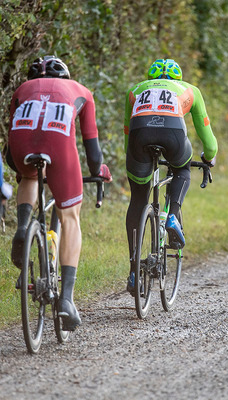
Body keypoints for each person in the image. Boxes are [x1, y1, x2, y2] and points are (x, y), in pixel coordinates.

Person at [7, 55, 112, 331]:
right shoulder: (81, 92)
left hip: (21, 145)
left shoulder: (21, 91)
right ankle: (66, 301)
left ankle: (22, 228)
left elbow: (9, 152)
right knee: (70, 217)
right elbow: (92, 151)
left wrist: (23, 170)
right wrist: (98, 170)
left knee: (29, 175)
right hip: (59, 145)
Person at [124, 58, 217, 290]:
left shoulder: (135, 90)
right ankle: (172, 215)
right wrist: (208, 157)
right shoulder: (189, 90)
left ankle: (134, 269)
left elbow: (128, 130)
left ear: (151, 78)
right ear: (178, 78)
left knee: (138, 198)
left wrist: (137, 159)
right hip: (173, 136)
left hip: (139, 138)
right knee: (182, 169)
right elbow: (206, 132)